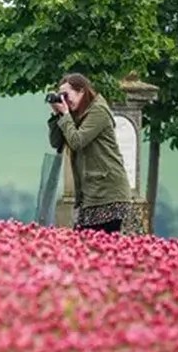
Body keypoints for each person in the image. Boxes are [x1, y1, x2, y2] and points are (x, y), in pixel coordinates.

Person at [47, 73, 133, 233]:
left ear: (82, 92)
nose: (64, 100)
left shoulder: (98, 111)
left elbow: (77, 141)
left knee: (101, 248)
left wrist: (65, 116)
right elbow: (56, 142)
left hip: (108, 194)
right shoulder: (76, 115)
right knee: (85, 248)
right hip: (90, 195)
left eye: (66, 95)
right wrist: (57, 114)